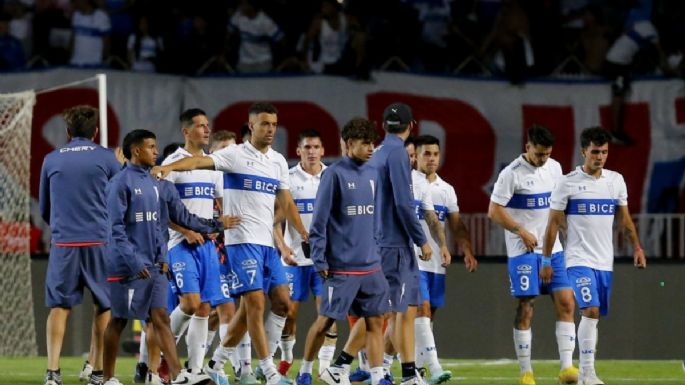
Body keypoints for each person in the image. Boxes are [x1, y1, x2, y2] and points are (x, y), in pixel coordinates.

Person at [152, 102, 308, 385]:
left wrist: (304, 232)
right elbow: (197, 161)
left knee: (283, 304)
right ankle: (268, 371)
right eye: (264, 124)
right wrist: (168, 167)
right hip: (241, 242)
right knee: (254, 303)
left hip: (267, 245)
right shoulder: (234, 155)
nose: (270, 129)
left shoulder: (278, 162)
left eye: (274, 124)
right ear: (251, 126)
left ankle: (216, 364)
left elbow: (286, 201)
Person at [322, 102, 432, 385]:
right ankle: (407, 375)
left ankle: (345, 364)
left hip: (379, 240)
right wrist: (422, 240)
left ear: (383, 127)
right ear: (412, 126)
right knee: (399, 311)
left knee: (388, 310)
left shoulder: (378, 153)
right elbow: (404, 203)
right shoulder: (397, 154)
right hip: (394, 243)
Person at [103, 129, 210, 385]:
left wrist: (217, 224)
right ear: (136, 151)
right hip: (128, 267)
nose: (156, 152)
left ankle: (178, 375)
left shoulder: (161, 183)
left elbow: (181, 219)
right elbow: (115, 230)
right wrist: (135, 261)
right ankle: (106, 378)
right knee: (118, 320)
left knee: (160, 317)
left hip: (156, 266)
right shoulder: (119, 183)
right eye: (151, 147)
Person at [542, 127, 646, 385]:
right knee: (590, 307)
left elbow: (624, 218)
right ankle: (587, 372)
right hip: (578, 260)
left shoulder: (615, 181)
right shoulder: (567, 183)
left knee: (594, 314)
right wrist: (546, 260)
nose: (600, 157)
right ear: (583, 152)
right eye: (595, 152)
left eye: (604, 152)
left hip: (604, 261)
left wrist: (637, 247)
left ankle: (586, 370)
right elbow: (553, 224)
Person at [295, 117, 390, 385]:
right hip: (342, 267)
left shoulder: (374, 173)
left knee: (375, 322)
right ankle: (304, 372)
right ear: (349, 144)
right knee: (325, 322)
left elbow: (376, 218)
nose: (371, 148)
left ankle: (378, 375)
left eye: (373, 142)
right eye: (365, 143)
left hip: (371, 266)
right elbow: (319, 221)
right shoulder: (334, 174)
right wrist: (319, 258)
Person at [488, 125, 578, 385]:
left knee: (566, 303)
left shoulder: (555, 168)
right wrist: (520, 230)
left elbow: (557, 206)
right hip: (523, 251)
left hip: (553, 249)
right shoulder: (511, 174)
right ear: (527, 147)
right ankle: (526, 372)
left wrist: (565, 227)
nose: (543, 159)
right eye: (539, 154)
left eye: (547, 154)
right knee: (526, 307)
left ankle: (567, 369)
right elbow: (493, 211)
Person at [40, 106, 121, 385]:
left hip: (64, 242)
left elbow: (45, 208)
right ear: (95, 132)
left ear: (67, 132)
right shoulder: (108, 158)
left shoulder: (51, 159)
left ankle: (52, 373)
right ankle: (97, 372)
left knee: (59, 307)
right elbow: (122, 200)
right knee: (104, 305)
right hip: (100, 241)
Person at [162, 109, 226, 384]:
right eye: (200, 126)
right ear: (186, 132)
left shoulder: (212, 167)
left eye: (207, 125)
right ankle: (165, 354)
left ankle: (196, 370)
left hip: (207, 247)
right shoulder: (173, 163)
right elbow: (161, 210)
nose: (206, 130)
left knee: (204, 309)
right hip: (180, 244)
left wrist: (216, 227)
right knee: (190, 303)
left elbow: (220, 207)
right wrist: (187, 231)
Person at [412, 135, 477, 384]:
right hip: (412, 259)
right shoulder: (407, 183)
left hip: (436, 263)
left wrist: (467, 251)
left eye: (435, 154)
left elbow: (457, 225)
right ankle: (434, 366)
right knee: (422, 310)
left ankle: (411, 370)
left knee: (427, 317)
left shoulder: (445, 189)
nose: (431, 158)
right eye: (426, 153)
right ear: (415, 156)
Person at [272, 129, 337, 378]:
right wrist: (283, 246)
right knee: (288, 313)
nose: (311, 152)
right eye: (307, 147)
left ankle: (325, 368)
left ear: (322, 150)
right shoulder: (287, 179)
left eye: (316, 147)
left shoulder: (332, 177)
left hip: (325, 261)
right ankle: (287, 356)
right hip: (293, 260)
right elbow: (274, 219)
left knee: (328, 314)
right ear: (298, 151)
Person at [69, 0, 110, 67]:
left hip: (94, 64)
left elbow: (106, 43)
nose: (74, 3)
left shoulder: (101, 16)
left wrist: (102, 60)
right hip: (75, 63)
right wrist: (70, 57)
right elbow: (72, 39)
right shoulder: (76, 15)